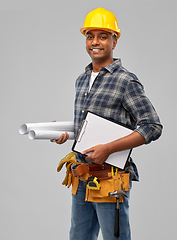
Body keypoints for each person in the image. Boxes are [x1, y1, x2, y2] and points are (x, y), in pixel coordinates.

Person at [53, 7, 163, 240]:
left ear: (115, 40)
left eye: (103, 36)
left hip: (110, 178)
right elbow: (87, 128)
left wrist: (108, 149)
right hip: (81, 175)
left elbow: (152, 125)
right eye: (90, 36)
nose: (95, 42)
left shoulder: (126, 81)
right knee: (78, 237)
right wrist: (64, 132)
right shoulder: (81, 79)